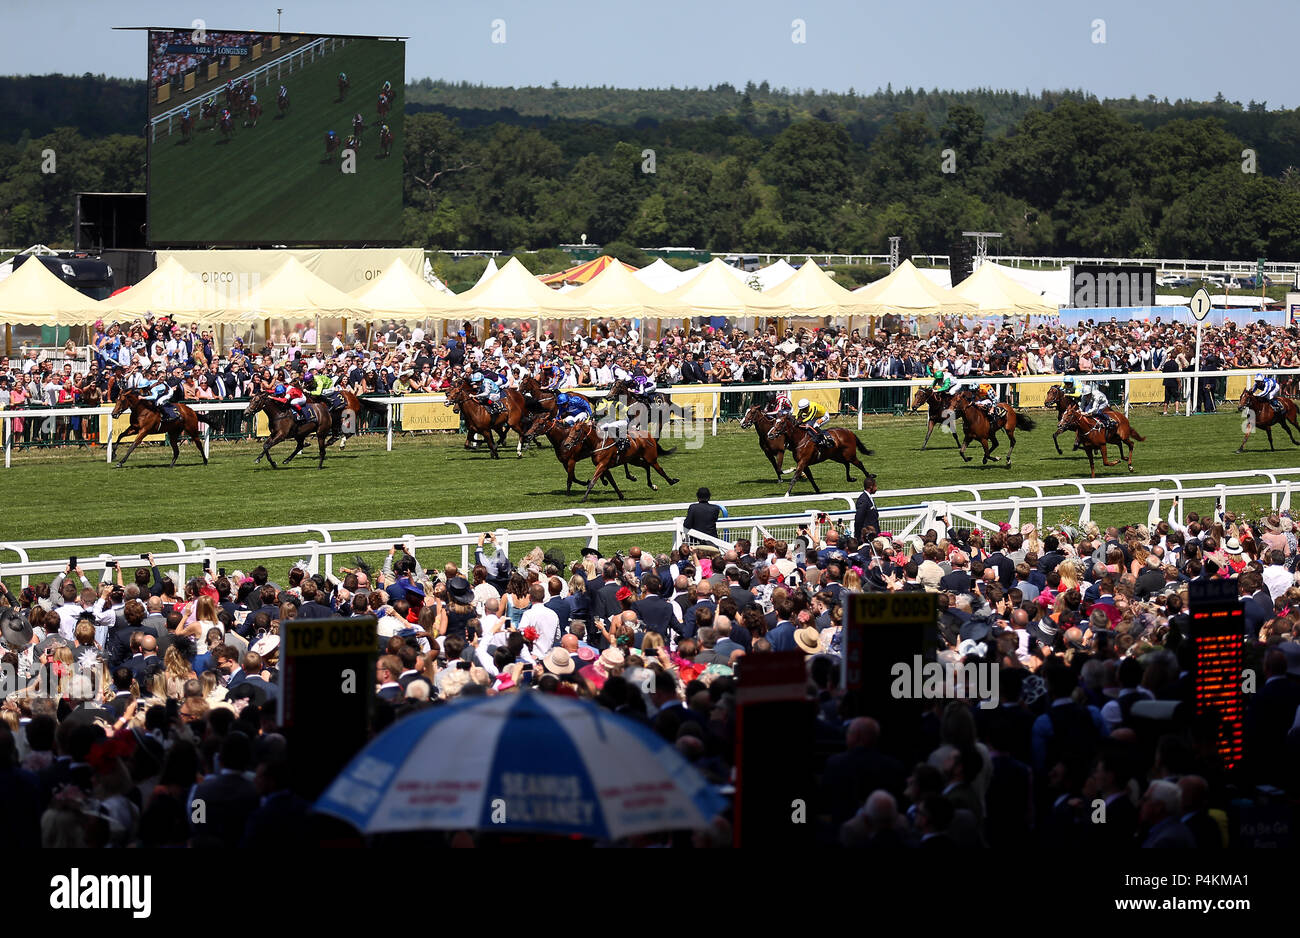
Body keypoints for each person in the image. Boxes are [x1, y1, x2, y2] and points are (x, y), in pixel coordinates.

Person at [853, 473, 879, 542]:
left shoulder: (869, 498)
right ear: (871, 486)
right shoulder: (863, 499)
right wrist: (858, 536)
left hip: (872, 535)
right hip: (866, 537)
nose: (876, 488)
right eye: (875, 486)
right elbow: (859, 518)